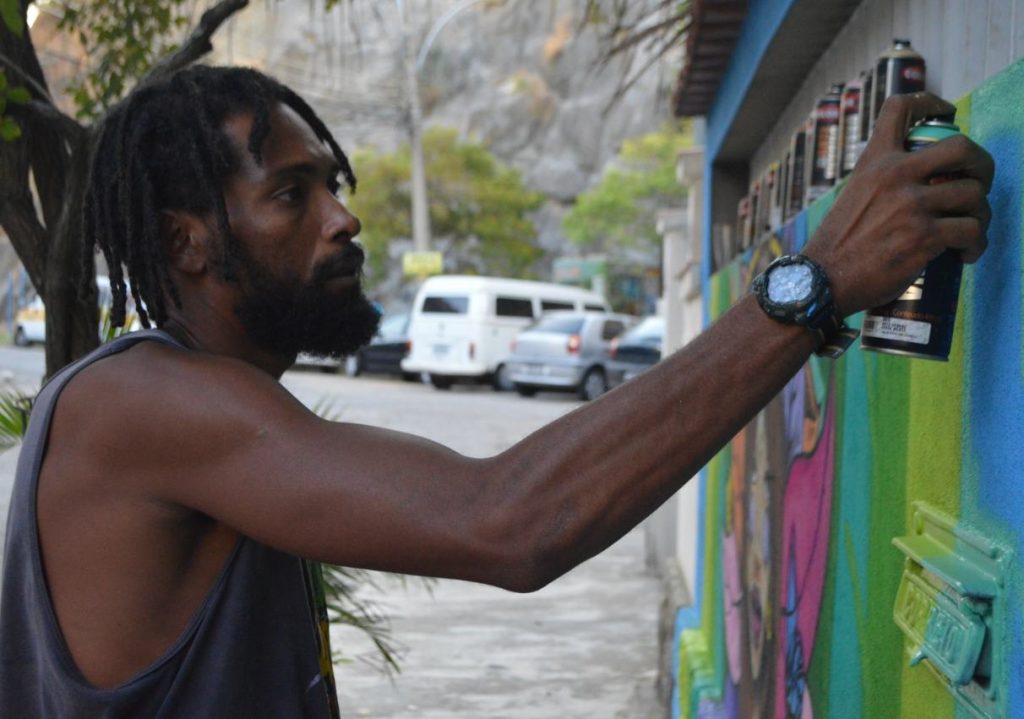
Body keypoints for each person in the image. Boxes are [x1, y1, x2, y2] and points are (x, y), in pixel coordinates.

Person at [0, 65, 993, 718]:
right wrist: (809, 286)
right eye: (293, 194)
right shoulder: (141, 404)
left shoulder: (195, 404)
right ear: (186, 238)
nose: (344, 219)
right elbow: (509, 520)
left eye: (332, 183)